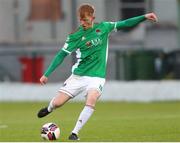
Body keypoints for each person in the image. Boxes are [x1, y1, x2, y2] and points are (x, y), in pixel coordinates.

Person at [37, 3, 158, 140]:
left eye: (86, 20)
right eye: (81, 20)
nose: (83, 23)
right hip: (78, 76)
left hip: (97, 77)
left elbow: (125, 23)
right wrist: (46, 74)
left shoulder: (104, 27)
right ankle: (49, 109)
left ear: (93, 18)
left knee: (91, 99)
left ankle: (74, 133)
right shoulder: (74, 36)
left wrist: (145, 16)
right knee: (58, 103)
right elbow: (61, 55)